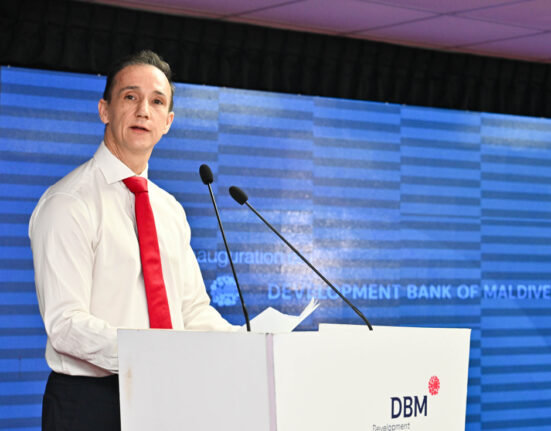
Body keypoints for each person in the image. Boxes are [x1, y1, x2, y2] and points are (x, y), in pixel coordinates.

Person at [29, 50, 234, 431]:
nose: (143, 111)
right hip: (90, 402)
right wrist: (149, 353)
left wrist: (245, 346)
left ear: (168, 121)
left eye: (157, 102)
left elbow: (192, 310)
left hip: (166, 392)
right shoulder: (69, 202)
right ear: (104, 110)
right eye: (130, 97)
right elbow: (66, 325)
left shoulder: (169, 209)